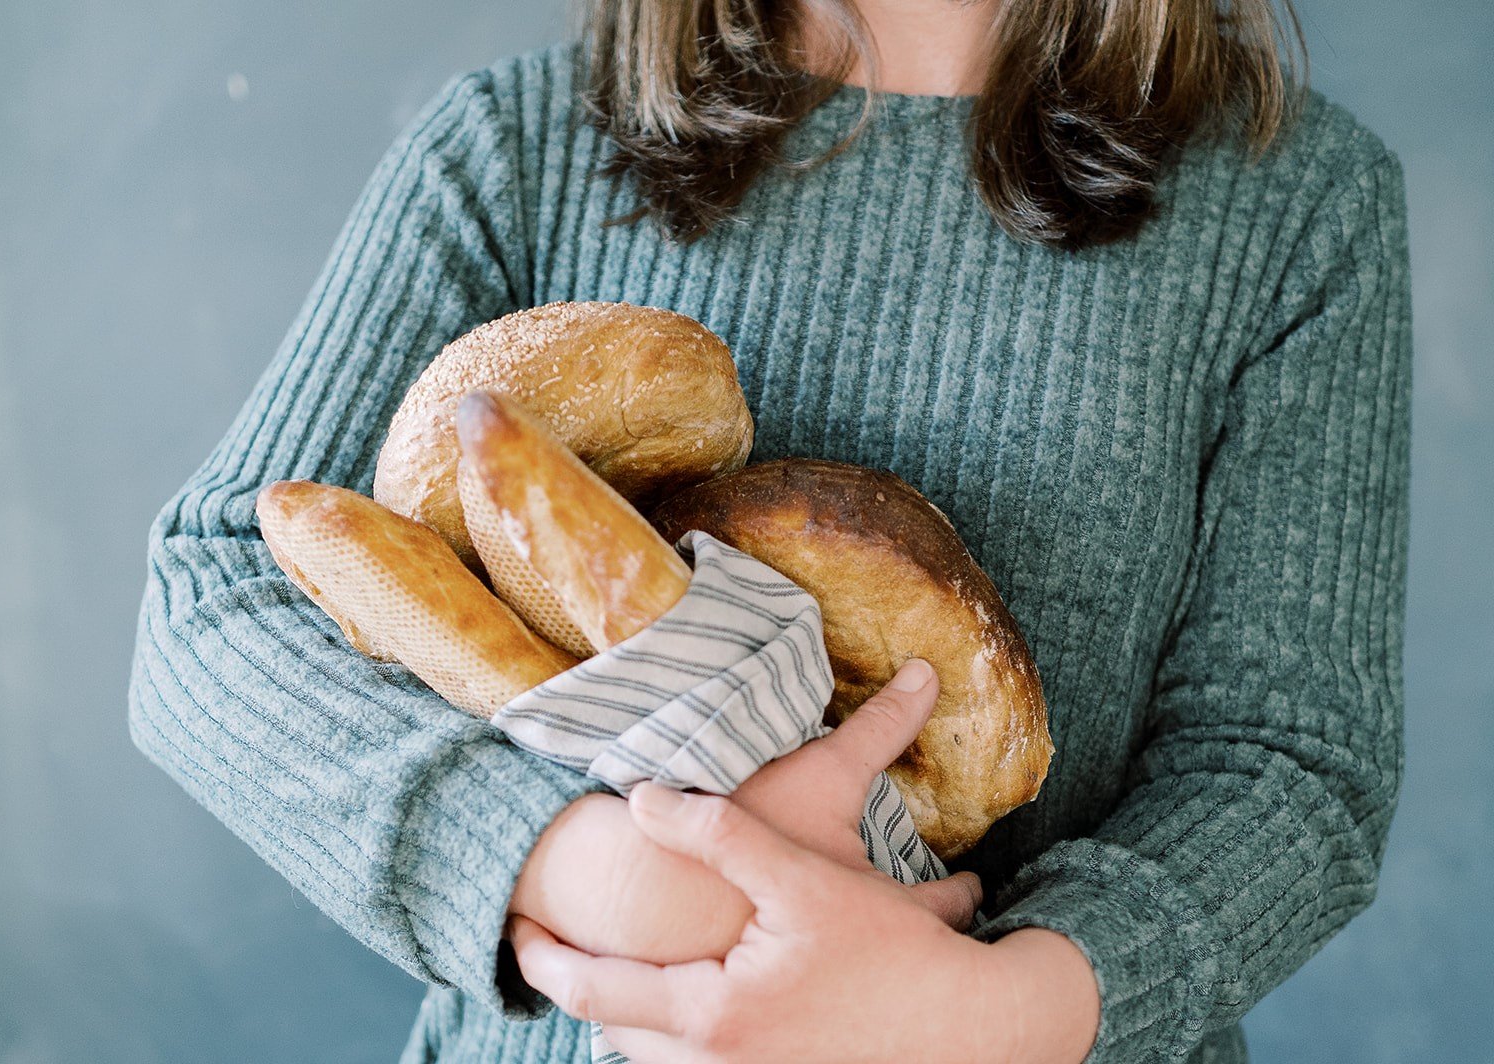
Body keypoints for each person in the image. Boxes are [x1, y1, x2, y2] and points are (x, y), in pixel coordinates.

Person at [127, 0, 1412, 1059]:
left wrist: (994, 1008)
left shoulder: (1296, 207)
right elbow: (216, 593)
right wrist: (602, 872)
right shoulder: (515, 149)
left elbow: (1286, 757)